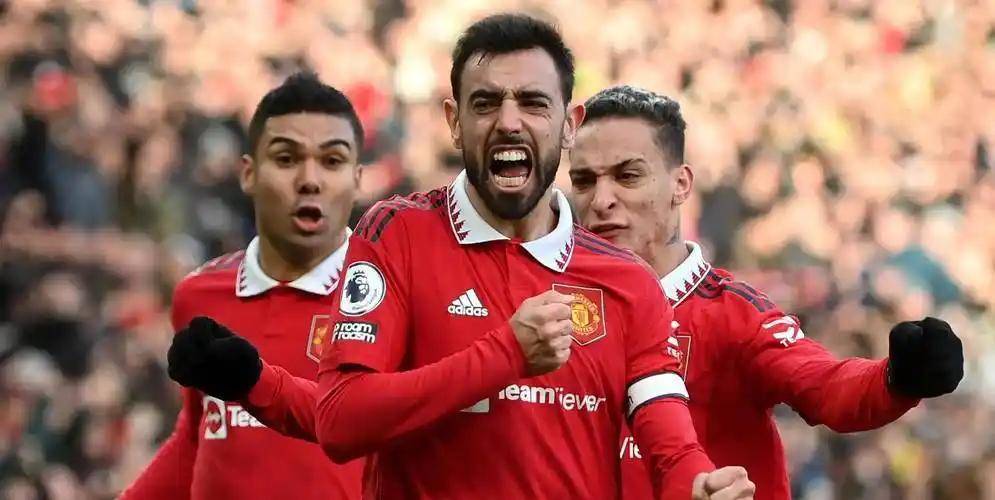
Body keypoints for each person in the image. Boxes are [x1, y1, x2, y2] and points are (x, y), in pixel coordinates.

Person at [166, 14, 755, 500]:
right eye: (485, 103)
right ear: (454, 122)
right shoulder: (397, 234)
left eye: (533, 102)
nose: (509, 122)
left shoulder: (626, 281)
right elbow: (342, 419)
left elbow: (671, 447)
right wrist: (506, 355)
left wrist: (698, 484)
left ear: (570, 125)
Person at [566, 85, 965, 500]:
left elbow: (827, 388)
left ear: (681, 184)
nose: (601, 200)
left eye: (628, 176)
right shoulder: (553, 307)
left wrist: (899, 377)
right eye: (584, 181)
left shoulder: (735, 315)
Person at [120, 72, 364, 500]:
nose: (310, 179)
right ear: (249, 173)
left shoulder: (394, 295)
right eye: (286, 158)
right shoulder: (199, 294)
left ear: (357, 179)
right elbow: (199, 434)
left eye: (332, 160)